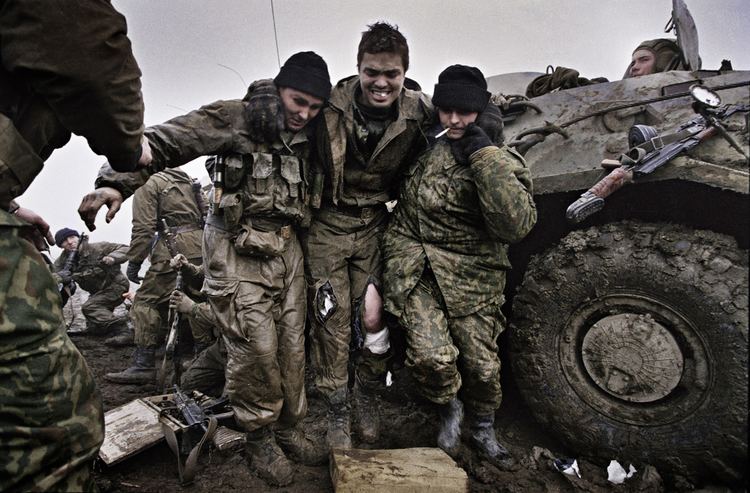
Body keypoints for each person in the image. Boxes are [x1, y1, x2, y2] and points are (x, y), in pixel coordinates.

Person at [78, 51, 332, 487]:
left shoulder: (316, 130)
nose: (303, 114)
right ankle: (258, 436)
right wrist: (113, 184)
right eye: (297, 101)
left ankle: (288, 427)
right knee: (256, 350)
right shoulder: (238, 117)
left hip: (287, 251)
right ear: (280, 88)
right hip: (235, 250)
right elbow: (166, 140)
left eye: (313, 106)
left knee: (293, 347)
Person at [245, 22, 433, 450]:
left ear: (404, 73)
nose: (380, 83)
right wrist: (260, 95)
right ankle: (335, 407)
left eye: (391, 74)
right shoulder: (332, 103)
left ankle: (366, 393)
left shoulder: (418, 109)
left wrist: (492, 115)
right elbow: (283, 88)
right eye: (372, 72)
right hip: (327, 223)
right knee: (330, 318)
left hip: (373, 224)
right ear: (358, 68)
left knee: (372, 316)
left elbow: (467, 111)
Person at [0, 2, 147, 491]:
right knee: (55, 418)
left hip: (113, 288)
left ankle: (135, 341)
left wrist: (127, 279)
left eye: (66, 241)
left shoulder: (94, 247)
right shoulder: (66, 258)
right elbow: (93, 54)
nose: (65, 245)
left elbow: (114, 255)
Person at [382, 65, 537, 469]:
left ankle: (484, 427)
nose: (453, 120)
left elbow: (515, 225)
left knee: (484, 369)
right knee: (433, 359)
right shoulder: (423, 148)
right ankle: (449, 409)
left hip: (472, 278)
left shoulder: (499, 158)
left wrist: (484, 157)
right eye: (447, 110)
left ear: (480, 110)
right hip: (417, 271)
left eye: (464, 112)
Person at [105, 168, 204, 384]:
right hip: (201, 245)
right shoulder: (185, 179)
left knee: (145, 302)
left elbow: (143, 227)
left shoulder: (148, 183)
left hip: (172, 247)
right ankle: (189, 354)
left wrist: (135, 261)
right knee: (190, 298)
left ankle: (143, 365)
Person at [52, 228, 131, 337]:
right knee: (95, 331)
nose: (70, 242)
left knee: (90, 307)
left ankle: (124, 331)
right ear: (61, 246)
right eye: (64, 241)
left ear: (78, 237)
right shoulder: (62, 260)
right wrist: (60, 277)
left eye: (71, 237)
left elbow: (126, 248)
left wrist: (113, 257)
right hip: (97, 293)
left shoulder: (98, 248)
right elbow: (51, 274)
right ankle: (107, 329)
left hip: (115, 286)